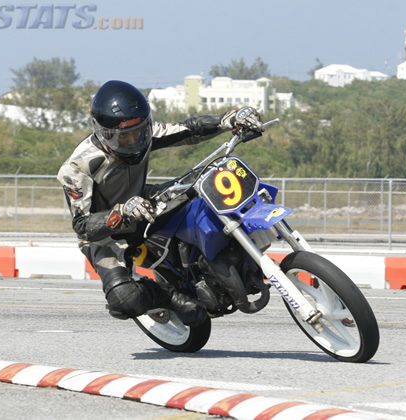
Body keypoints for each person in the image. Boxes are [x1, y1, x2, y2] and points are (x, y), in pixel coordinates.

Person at [57, 80, 263, 327]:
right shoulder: (77, 168)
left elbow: (190, 129)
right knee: (124, 299)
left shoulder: (145, 134)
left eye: (139, 132)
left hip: (145, 202)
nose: (133, 140)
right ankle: (168, 297)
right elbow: (82, 225)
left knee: (201, 187)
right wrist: (122, 212)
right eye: (124, 137)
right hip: (106, 235)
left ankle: (223, 261)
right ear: (104, 133)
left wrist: (229, 119)